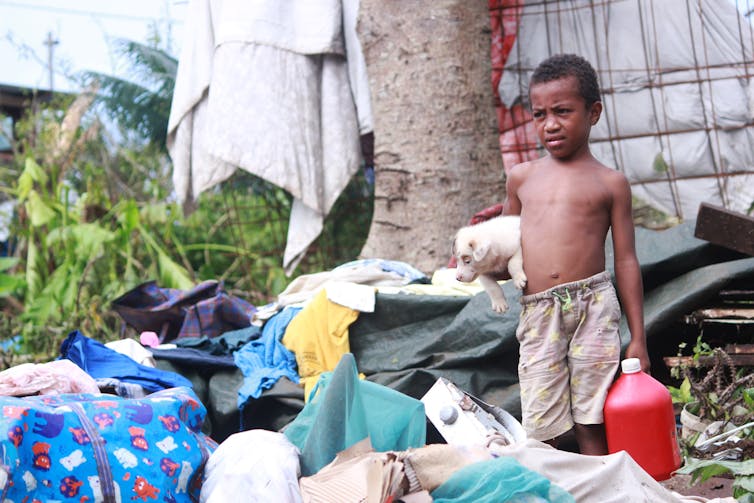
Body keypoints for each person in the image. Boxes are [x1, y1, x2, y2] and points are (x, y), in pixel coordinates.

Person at [502, 53, 650, 455]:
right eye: (539, 114)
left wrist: (638, 337)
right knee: (542, 421)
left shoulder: (610, 183)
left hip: (594, 308)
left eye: (563, 111)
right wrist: (478, 257)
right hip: (538, 313)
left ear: (594, 112)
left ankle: (604, 490)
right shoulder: (521, 179)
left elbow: (625, 260)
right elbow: (504, 248)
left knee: (592, 416)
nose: (550, 124)